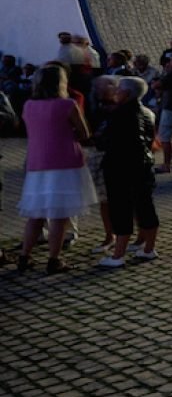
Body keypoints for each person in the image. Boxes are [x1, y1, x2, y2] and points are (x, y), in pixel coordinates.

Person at [15, 64, 96, 274]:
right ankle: (54, 258)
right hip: (64, 162)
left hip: (37, 162)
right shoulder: (67, 104)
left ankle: (25, 256)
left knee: (36, 214)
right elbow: (84, 132)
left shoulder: (29, 105)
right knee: (60, 215)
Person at [95, 77, 160, 268]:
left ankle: (118, 255)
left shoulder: (121, 114)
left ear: (128, 93)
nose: (116, 92)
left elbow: (113, 141)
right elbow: (149, 139)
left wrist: (98, 139)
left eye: (119, 89)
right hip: (143, 166)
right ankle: (149, 248)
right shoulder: (147, 113)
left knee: (121, 209)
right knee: (145, 206)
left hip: (121, 167)